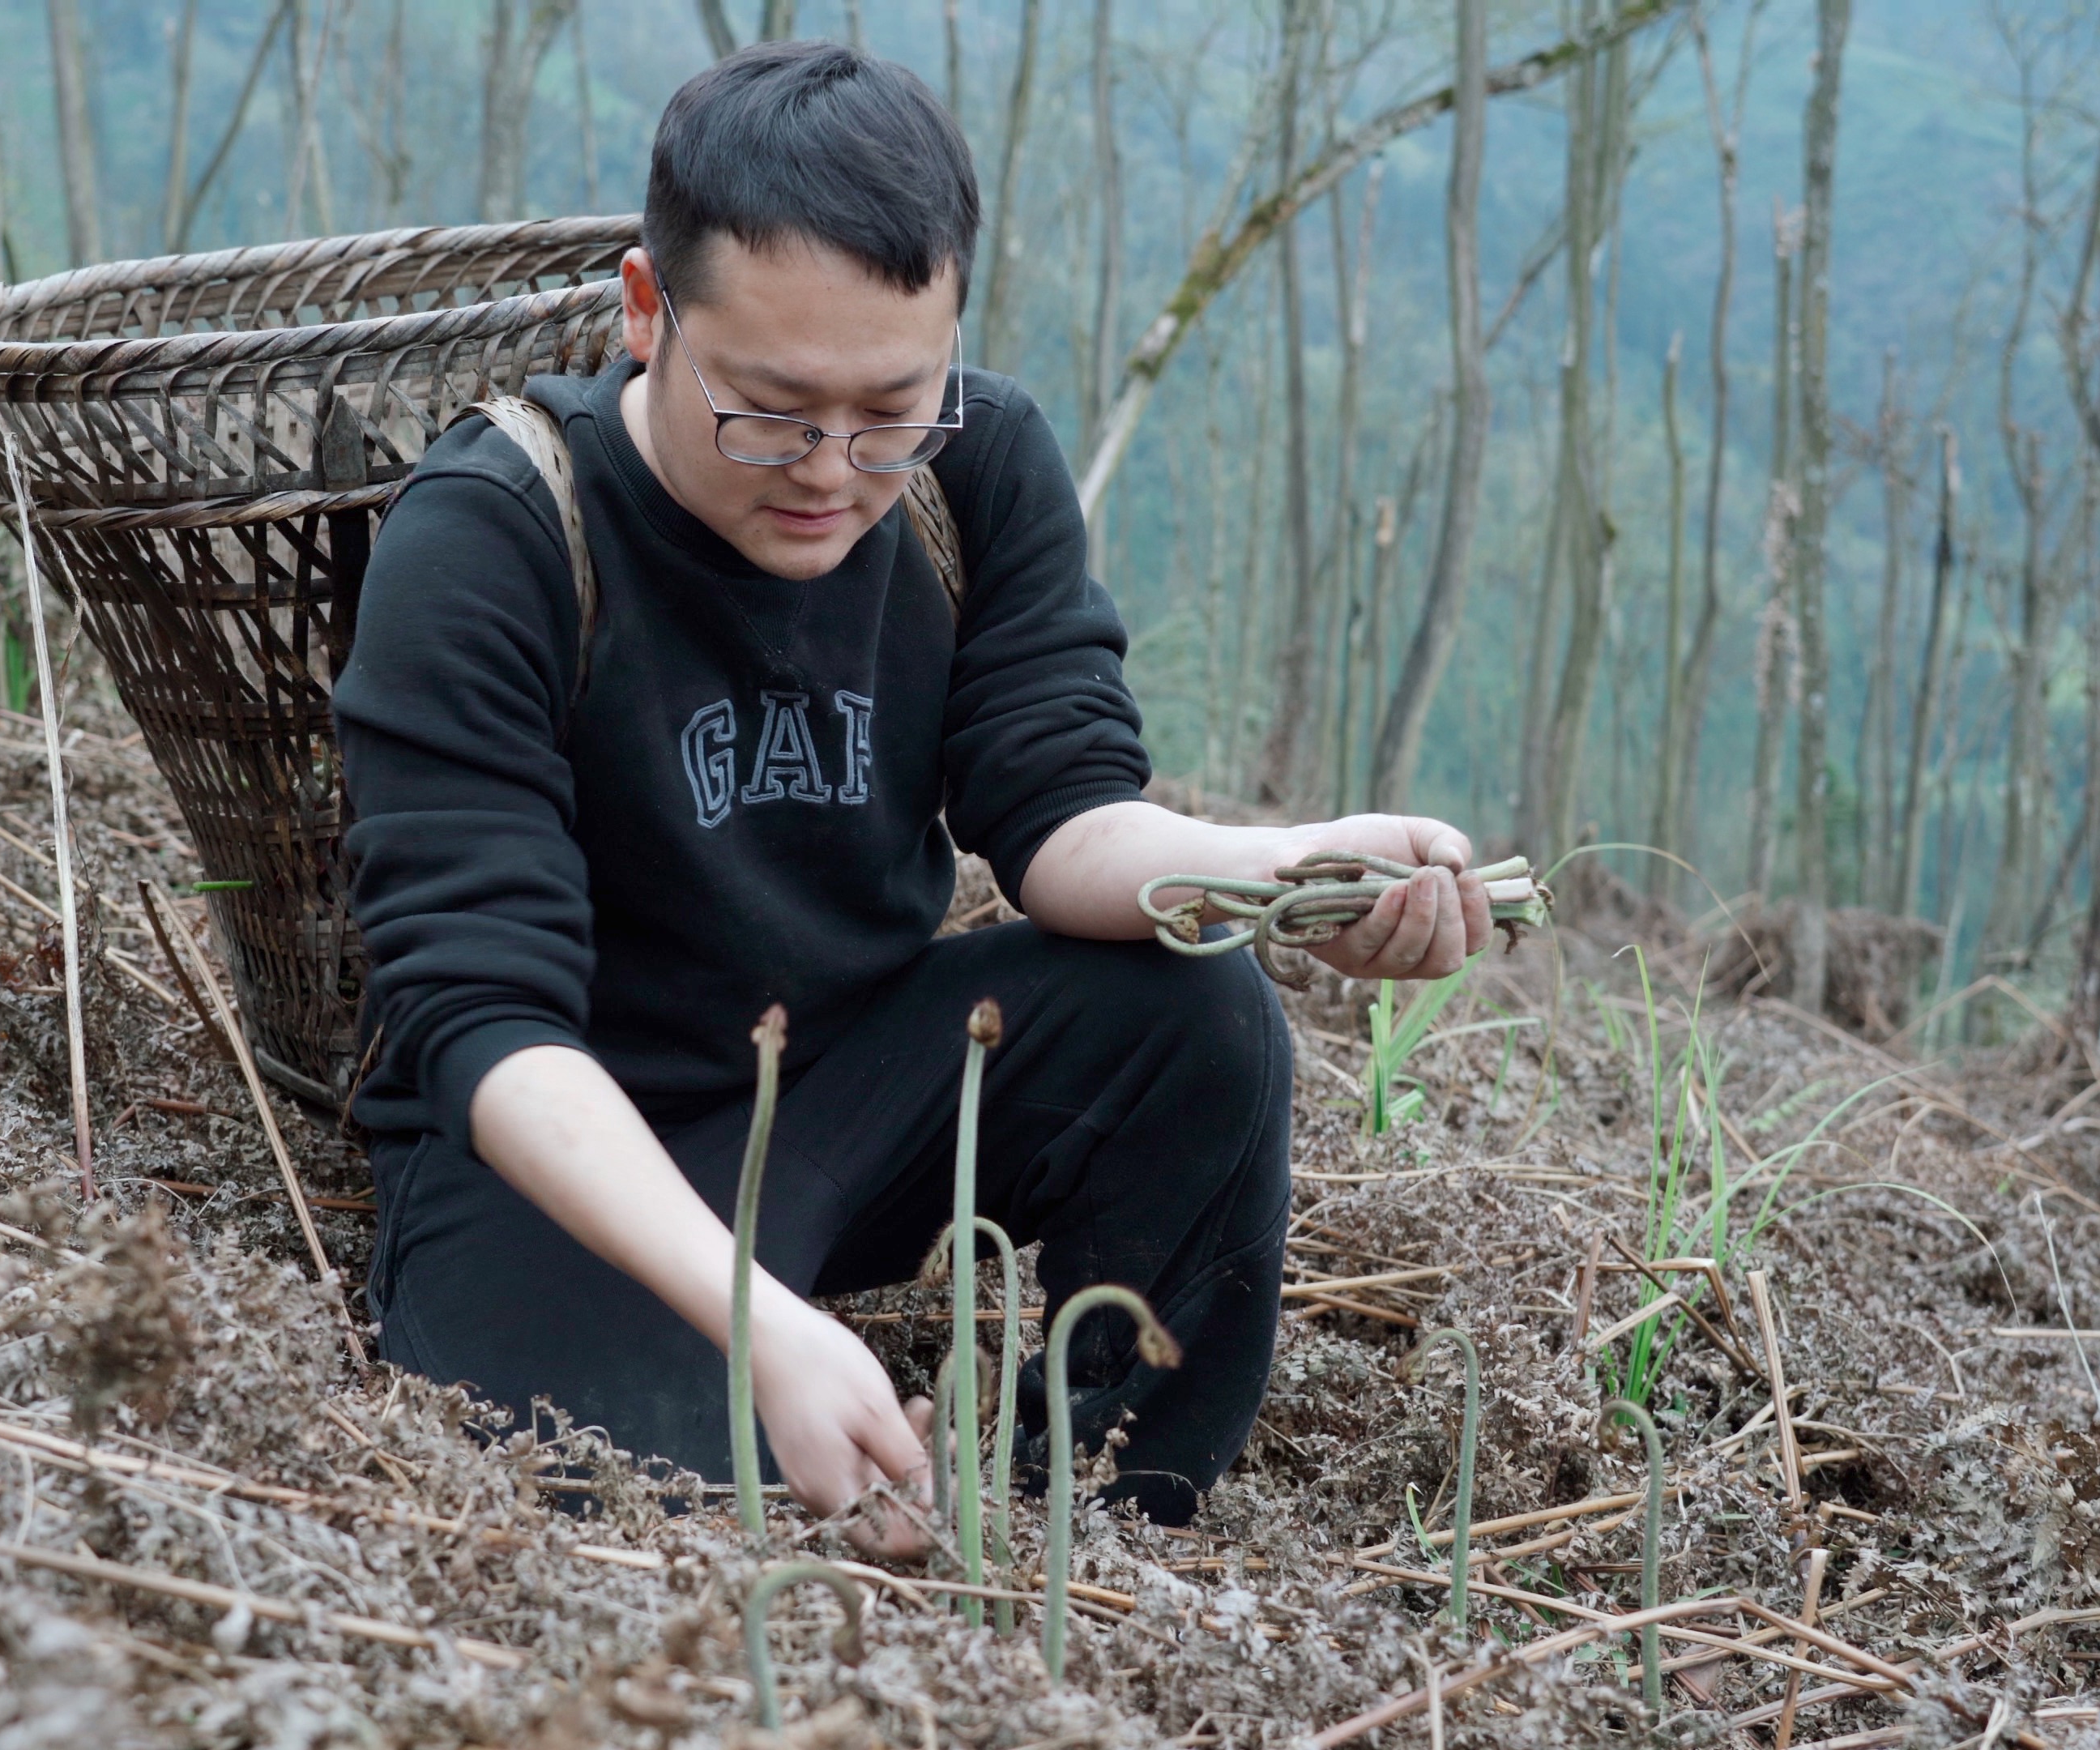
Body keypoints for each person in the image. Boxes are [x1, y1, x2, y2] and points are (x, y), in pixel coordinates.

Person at [332, 40, 1489, 1553]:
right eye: (772, 410)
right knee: (647, 1511)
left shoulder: (978, 466)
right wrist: (761, 1323)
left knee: (1198, 1016)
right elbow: (486, 1028)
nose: (834, 470)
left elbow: (1067, 820)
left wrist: (1285, 870)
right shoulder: (499, 534)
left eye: (892, 406)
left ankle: (1088, 1516)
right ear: (643, 314)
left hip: (843, 1086)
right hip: (569, 1143)